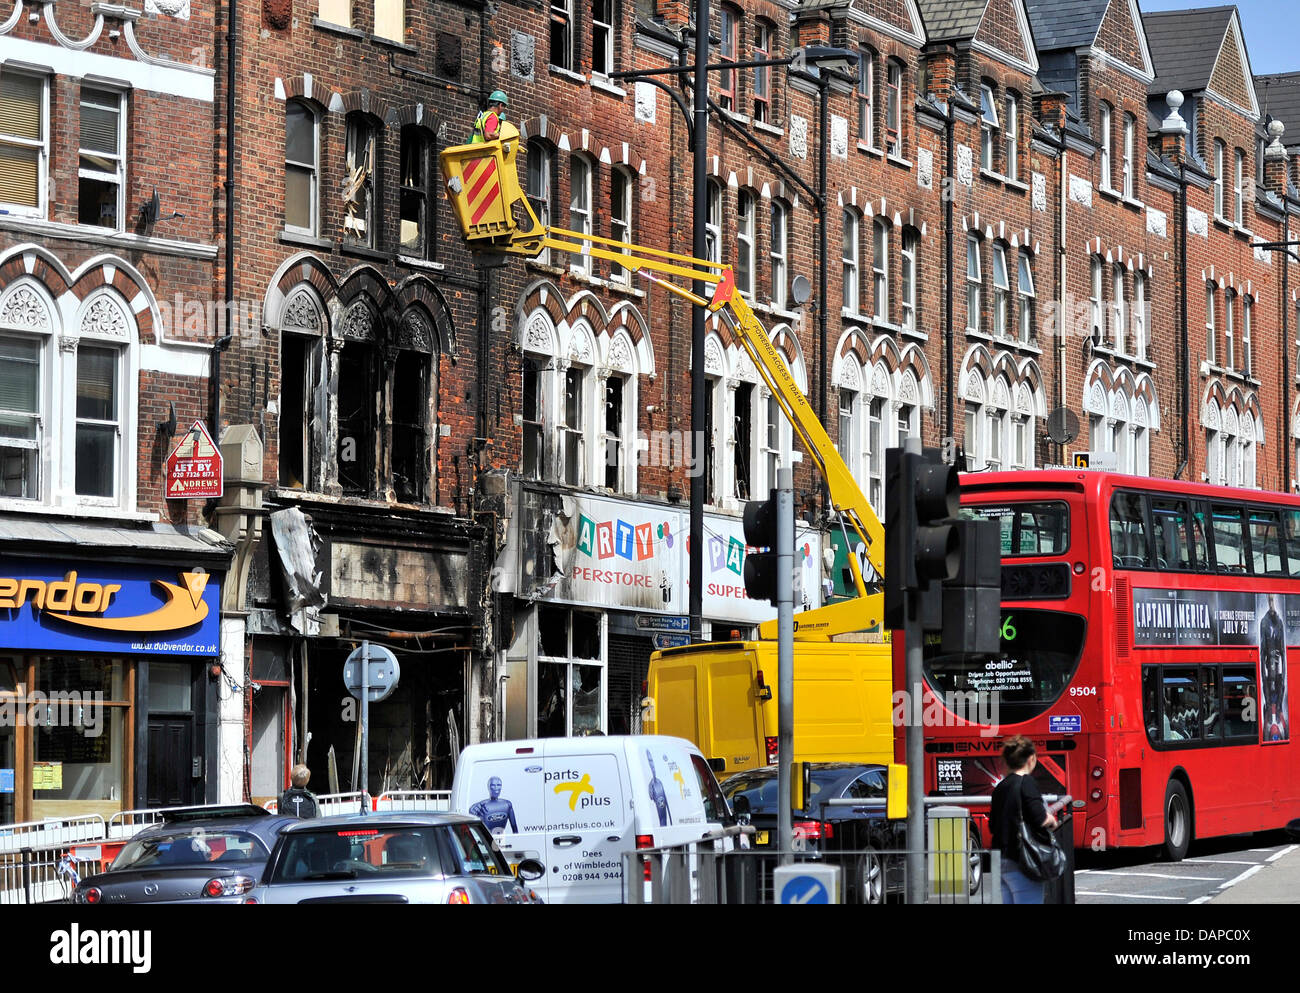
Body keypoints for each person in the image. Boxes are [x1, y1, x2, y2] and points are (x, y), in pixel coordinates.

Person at [989, 735, 1058, 905]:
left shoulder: (1000, 787)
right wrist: (1051, 819)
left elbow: (992, 825)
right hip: (1023, 861)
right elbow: (1039, 818)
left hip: (1001, 860)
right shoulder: (1027, 783)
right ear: (1031, 758)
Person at [645, 749, 672, 826]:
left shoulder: (659, 783)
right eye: (650, 761)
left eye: (652, 761)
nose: (652, 765)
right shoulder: (651, 784)